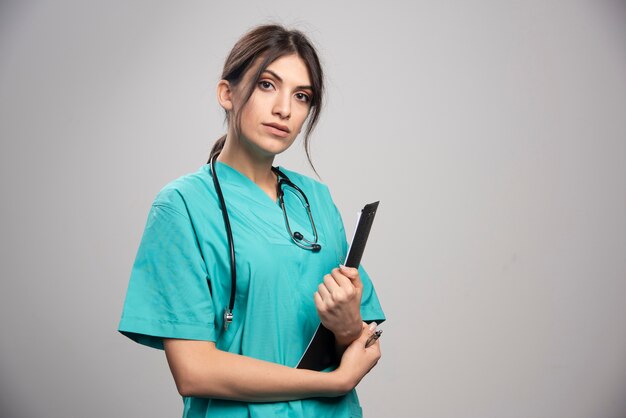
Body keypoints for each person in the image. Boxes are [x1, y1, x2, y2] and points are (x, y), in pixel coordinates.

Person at [118, 24, 385, 417]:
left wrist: (347, 325)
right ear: (227, 93)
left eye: (301, 96)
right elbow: (194, 371)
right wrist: (333, 382)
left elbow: (361, 340)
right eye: (266, 85)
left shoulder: (317, 201)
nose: (284, 109)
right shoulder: (183, 207)